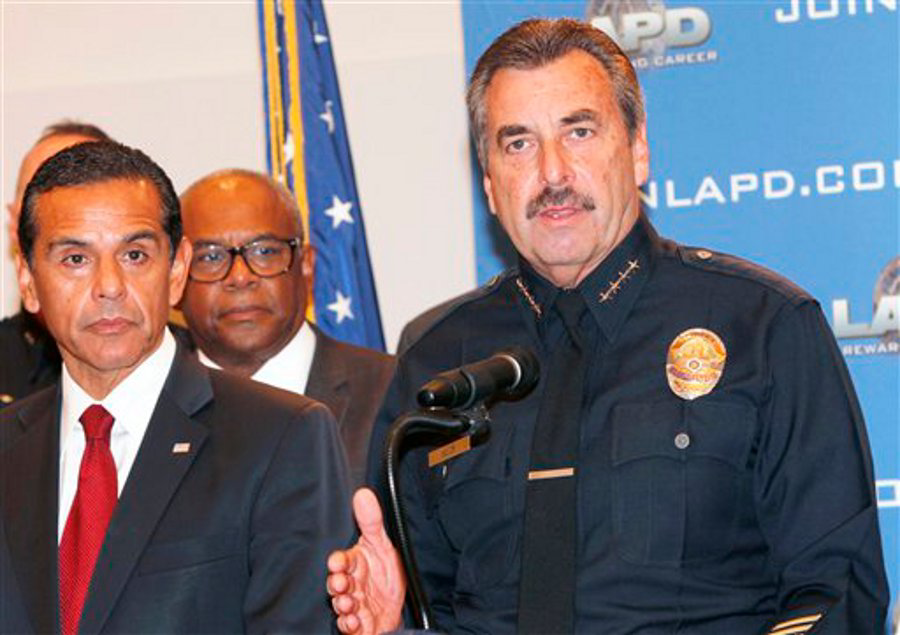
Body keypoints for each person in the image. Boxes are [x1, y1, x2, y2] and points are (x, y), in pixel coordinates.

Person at [326, 18, 888, 634]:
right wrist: (391, 626)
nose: (553, 173)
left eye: (580, 131)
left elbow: (837, 592)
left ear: (639, 149)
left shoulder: (765, 327)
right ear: (489, 183)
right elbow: (424, 603)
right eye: (518, 144)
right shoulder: (437, 357)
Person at [0, 141, 353, 633]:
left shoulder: (282, 437)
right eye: (76, 258)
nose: (109, 286)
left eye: (135, 254)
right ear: (28, 280)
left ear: (177, 269)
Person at [177, 169, 394, 486]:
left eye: (265, 251)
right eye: (210, 257)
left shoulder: (393, 391)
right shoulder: (147, 408)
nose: (240, 277)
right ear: (174, 278)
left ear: (306, 267)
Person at [1, 121, 111, 407]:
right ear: (14, 224)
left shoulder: (180, 356)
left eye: (82, 196)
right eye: (39, 198)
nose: (64, 223)